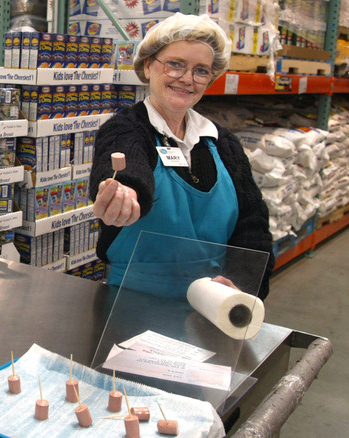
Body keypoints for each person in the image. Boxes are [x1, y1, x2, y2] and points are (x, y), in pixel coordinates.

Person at [90, 13, 275, 300]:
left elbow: (252, 223)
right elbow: (127, 166)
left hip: (212, 304)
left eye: (201, 70)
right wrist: (124, 193)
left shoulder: (223, 144)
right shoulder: (126, 129)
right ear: (148, 66)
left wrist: (243, 283)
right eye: (175, 64)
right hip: (131, 304)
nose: (187, 79)